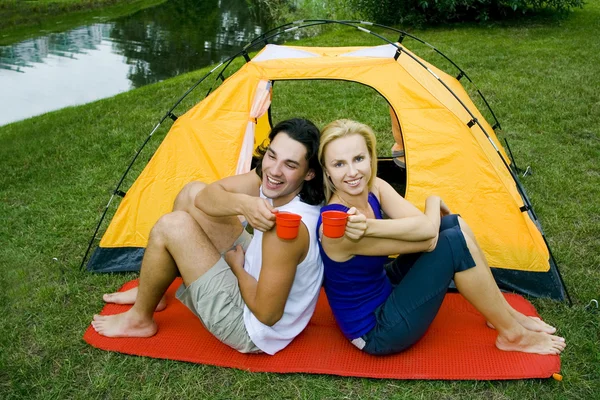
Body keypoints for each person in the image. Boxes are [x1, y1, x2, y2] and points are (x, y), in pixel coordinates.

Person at [316, 119, 566, 356]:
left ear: (371, 158)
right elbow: (427, 238)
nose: (352, 172)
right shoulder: (336, 227)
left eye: (359, 158)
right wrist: (433, 201)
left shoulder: (375, 187)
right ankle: (513, 335)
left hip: (384, 287)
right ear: (327, 172)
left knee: (451, 223)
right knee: (451, 242)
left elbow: (424, 227)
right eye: (339, 164)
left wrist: (426, 219)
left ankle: (504, 313)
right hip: (376, 330)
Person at [92, 118, 325, 355]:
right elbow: (204, 197)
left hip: (253, 327)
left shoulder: (288, 228)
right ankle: (153, 293)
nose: (274, 170)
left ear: (309, 174)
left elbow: (268, 315)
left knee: (171, 226)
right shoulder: (277, 183)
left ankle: (139, 320)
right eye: (272, 155)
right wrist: (244, 204)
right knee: (191, 193)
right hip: (259, 274)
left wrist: (238, 270)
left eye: (290, 165)